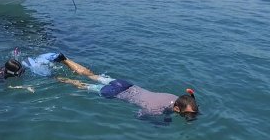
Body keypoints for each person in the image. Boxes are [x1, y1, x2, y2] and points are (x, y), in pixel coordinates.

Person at [50, 53, 198, 118]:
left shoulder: (174, 97)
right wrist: (155, 119)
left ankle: (65, 59)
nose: (189, 116)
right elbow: (139, 115)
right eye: (187, 114)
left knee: (91, 75)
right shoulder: (156, 110)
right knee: (81, 85)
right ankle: (54, 77)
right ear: (177, 108)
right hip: (116, 92)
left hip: (126, 84)